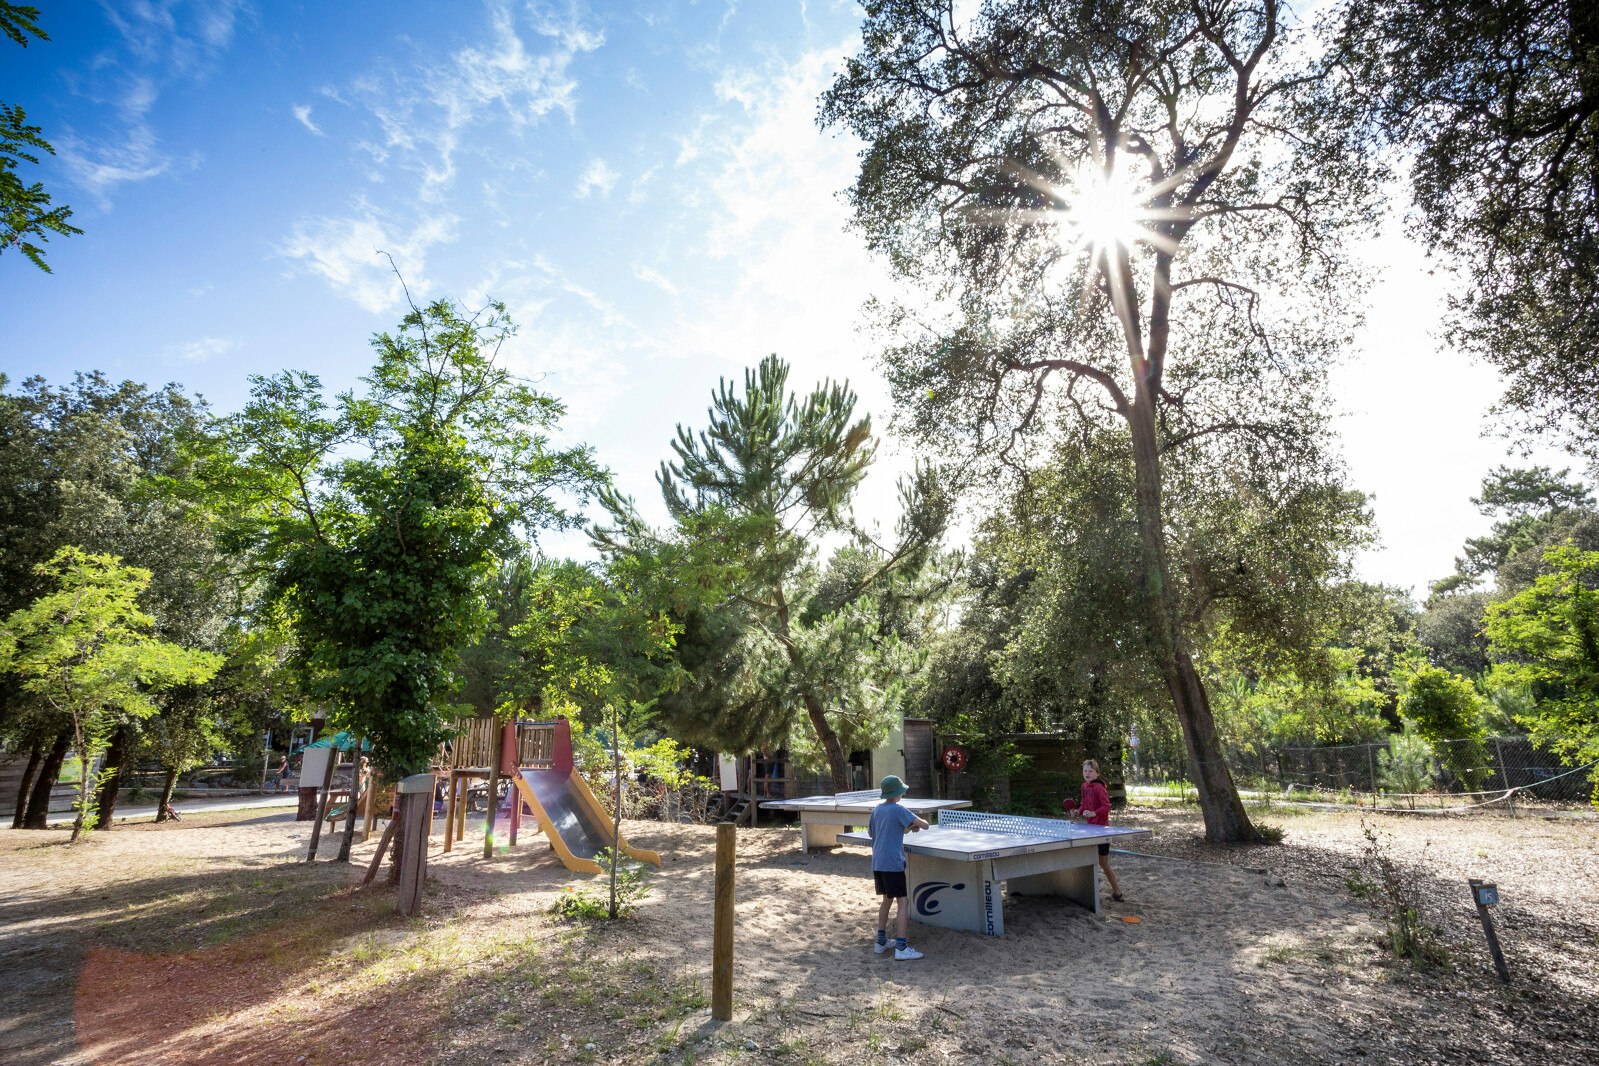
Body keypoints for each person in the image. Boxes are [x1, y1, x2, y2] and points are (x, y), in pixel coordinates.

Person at [867, 774, 930, 960]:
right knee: (903, 902)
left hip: (878, 862)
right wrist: (913, 824)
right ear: (898, 793)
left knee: (886, 900)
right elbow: (925, 825)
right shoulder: (900, 809)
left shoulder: (877, 810)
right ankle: (901, 947)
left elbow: (873, 832)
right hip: (893, 863)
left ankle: (880, 942)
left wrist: (905, 828)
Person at [1061, 758, 1124, 902]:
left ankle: (1117, 892)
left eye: (1090, 771)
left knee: (1103, 862)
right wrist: (1078, 811)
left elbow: (1106, 806)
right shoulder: (1084, 786)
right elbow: (1084, 805)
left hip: (1101, 831)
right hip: (1089, 831)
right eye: (1085, 771)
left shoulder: (1099, 788)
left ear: (1097, 773)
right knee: (1087, 859)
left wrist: (1095, 813)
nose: (1087, 773)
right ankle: (1087, 892)